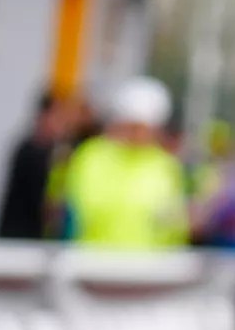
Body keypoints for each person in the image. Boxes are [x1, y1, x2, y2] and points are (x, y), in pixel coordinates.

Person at [62, 77, 189, 249]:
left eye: (145, 127)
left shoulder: (164, 164)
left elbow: (174, 227)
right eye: (134, 126)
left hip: (149, 268)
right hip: (94, 263)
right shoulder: (93, 156)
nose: (138, 134)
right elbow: (83, 209)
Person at [0, 90, 84, 240]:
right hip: (18, 237)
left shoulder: (43, 148)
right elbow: (46, 202)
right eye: (60, 116)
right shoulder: (33, 149)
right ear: (45, 115)